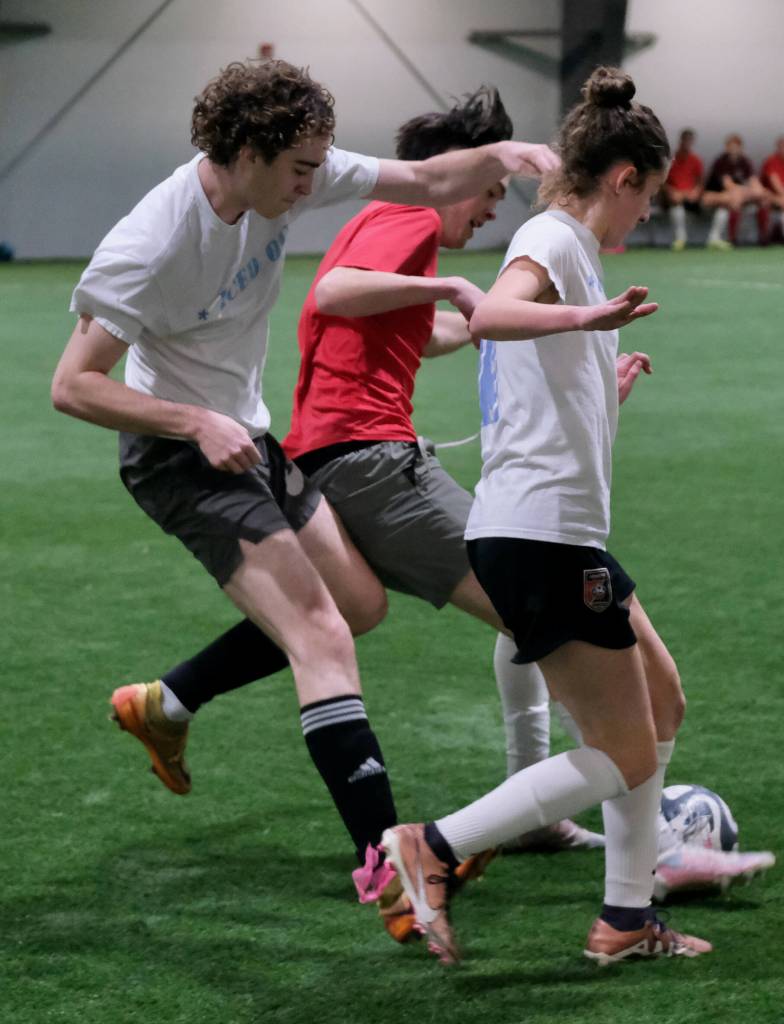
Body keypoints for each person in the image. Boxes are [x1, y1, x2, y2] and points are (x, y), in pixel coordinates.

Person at [50, 57, 556, 927]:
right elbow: (73, 386)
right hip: (178, 453)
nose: (312, 185)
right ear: (247, 152)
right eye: (300, 170)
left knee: (358, 604)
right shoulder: (152, 241)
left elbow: (425, 179)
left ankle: (165, 703)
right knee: (321, 631)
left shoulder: (288, 174)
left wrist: (507, 155)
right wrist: (193, 422)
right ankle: (389, 867)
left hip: (246, 438)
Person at [380, 66, 712, 967]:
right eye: (649, 194)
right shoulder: (553, 239)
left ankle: (626, 921)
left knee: (663, 700)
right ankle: (432, 846)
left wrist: (602, 382)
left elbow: (532, 382)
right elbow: (492, 316)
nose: (648, 212)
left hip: (548, 529)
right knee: (627, 753)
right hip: (539, 533)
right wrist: (589, 318)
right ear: (623, 178)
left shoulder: (571, 250)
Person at [702, 133, 769, 249]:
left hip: (739, 195)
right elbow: (728, 185)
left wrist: (759, 191)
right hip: (714, 196)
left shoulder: (745, 161)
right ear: (726, 147)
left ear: (740, 147)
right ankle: (732, 239)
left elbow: (754, 182)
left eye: (736, 146)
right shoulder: (721, 162)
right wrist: (748, 191)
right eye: (731, 146)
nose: (733, 149)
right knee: (735, 198)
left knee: (763, 198)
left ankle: (763, 237)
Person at [662, 129, 704, 251]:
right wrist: (671, 192)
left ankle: (714, 238)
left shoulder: (696, 160)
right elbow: (661, 182)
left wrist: (696, 192)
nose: (687, 143)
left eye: (690, 141)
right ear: (681, 141)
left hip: (691, 197)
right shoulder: (670, 160)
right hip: (672, 197)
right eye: (685, 140)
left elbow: (700, 182)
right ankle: (680, 238)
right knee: (676, 204)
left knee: (712, 202)